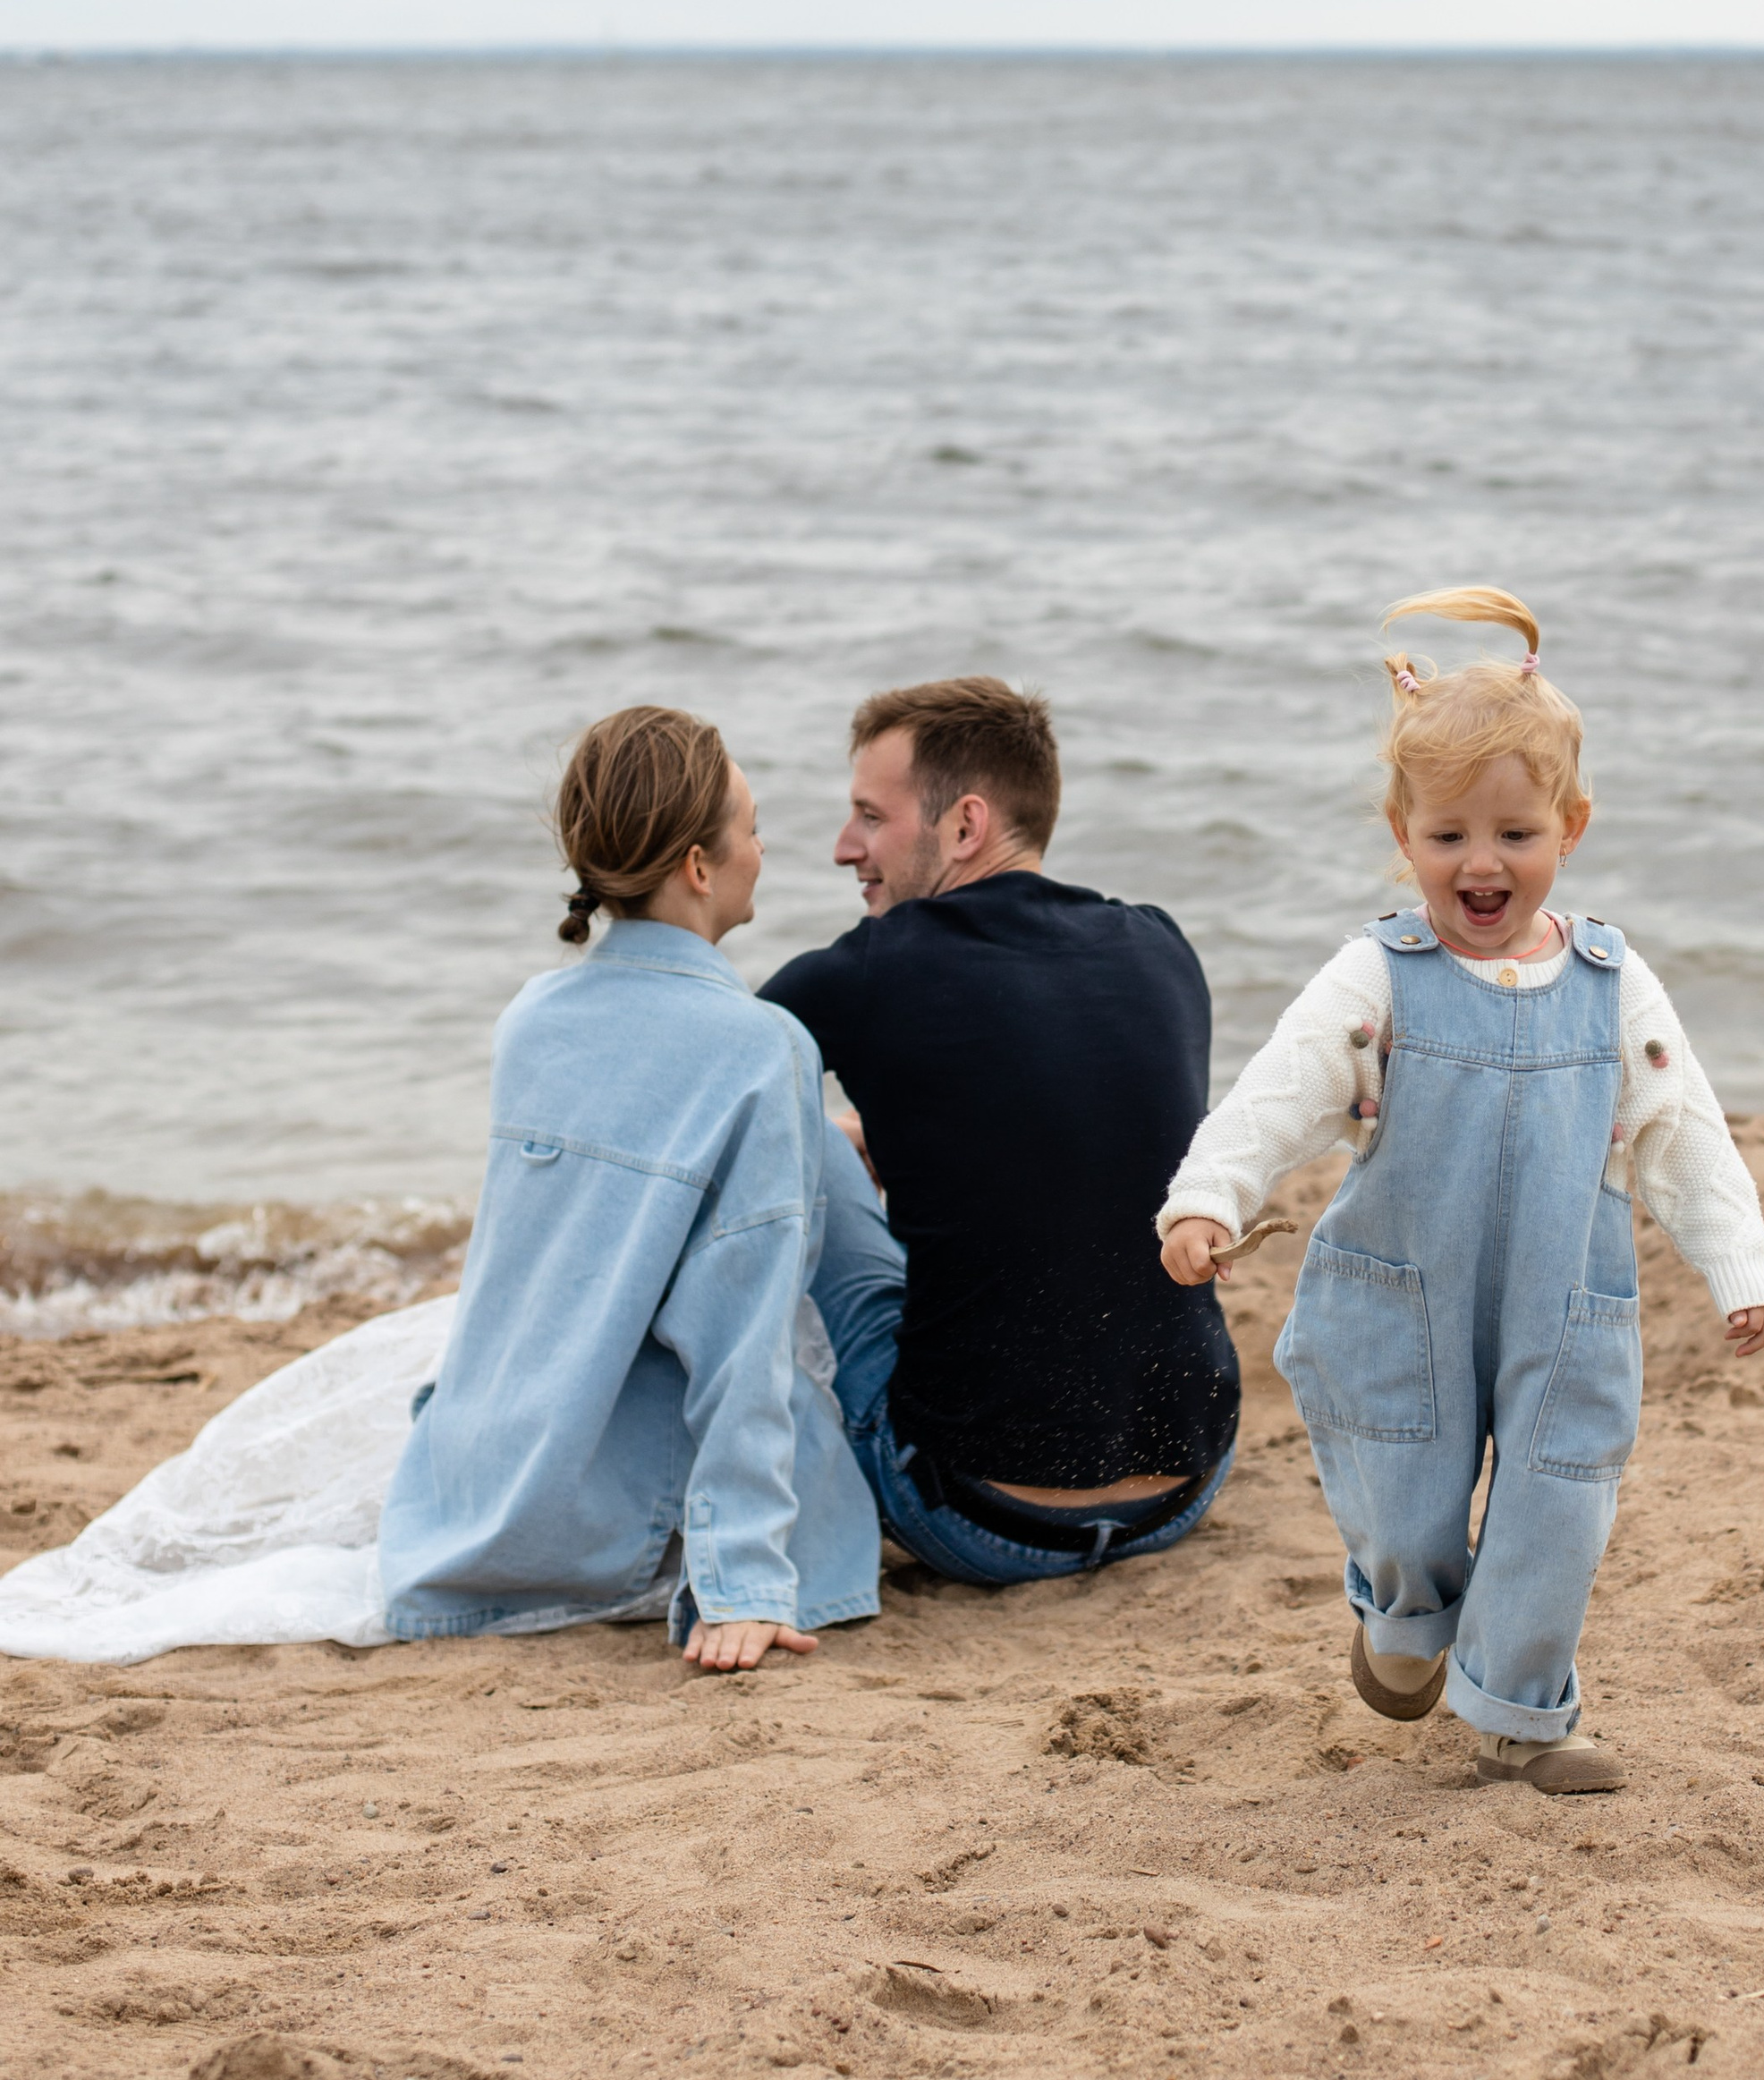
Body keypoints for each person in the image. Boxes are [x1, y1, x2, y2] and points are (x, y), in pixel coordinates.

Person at [1158, 587, 1764, 1791]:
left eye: (1515, 834)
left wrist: (1735, 1262)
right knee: (1407, 1495)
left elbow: (1682, 1131)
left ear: (1571, 827)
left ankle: (1520, 1715)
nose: (1481, 863)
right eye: (1448, 836)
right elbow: (1279, 1092)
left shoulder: (1612, 984)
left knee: (1559, 1499)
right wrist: (1209, 1198)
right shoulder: (1378, 975)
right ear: (1405, 834)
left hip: (1566, 1302)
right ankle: (1404, 1621)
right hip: (1404, 1297)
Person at [378, 705, 905, 1667]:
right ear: (700, 867)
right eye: (752, 828)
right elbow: (742, 1338)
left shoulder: (532, 1017)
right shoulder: (762, 1049)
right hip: (616, 1513)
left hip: (488, 1486)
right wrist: (743, 1581)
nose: (763, 850)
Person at [759, 676, 1240, 1588]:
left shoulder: (867, 974)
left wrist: (831, 1140)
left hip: (976, 1510)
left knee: (798, 1134)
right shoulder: (1160, 946)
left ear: (964, 826)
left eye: (871, 816)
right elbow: (1070, 1126)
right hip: (1182, 1486)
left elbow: (700, 1100)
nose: (844, 847)